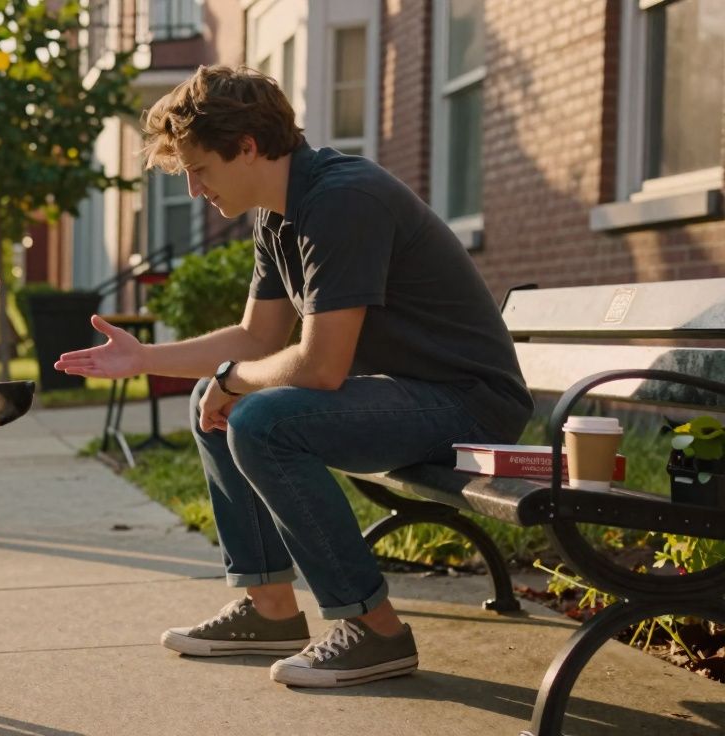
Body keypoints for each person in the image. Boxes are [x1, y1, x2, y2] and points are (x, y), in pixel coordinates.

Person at [55, 66, 533, 688]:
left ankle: (375, 629)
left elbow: (320, 367)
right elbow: (257, 340)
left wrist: (235, 380)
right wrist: (147, 357)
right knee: (218, 400)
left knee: (259, 420)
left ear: (248, 147)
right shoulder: (278, 215)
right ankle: (269, 608)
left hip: (467, 404)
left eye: (200, 169)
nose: (195, 190)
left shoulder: (342, 199)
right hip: (406, 395)